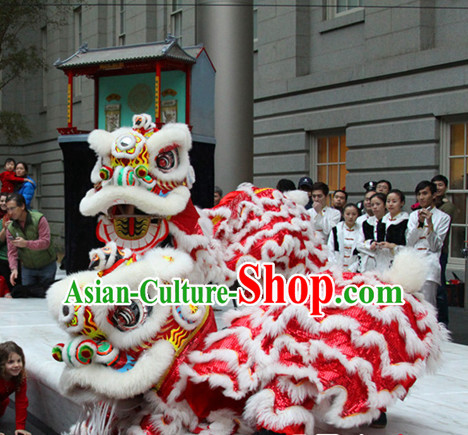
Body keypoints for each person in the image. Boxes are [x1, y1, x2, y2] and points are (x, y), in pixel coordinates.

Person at [406, 181, 450, 307]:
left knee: (428, 306)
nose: (421, 197)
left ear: (434, 195)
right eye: (419, 194)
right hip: (413, 265)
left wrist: (429, 224)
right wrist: (419, 224)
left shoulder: (443, 217)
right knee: (412, 306)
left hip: (430, 265)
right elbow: (409, 242)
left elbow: (435, 246)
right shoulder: (414, 216)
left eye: (425, 193)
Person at [6, 193, 56, 291]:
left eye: (12, 208)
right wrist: (14, 269)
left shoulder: (39, 219)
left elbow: (45, 242)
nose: (10, 212)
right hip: (27, 269)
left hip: (46, 265)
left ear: (22, 206)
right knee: (28, 300)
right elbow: (12, 252)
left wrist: (26, 243)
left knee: (46, 298)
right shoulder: (11, 228)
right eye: (8, 209)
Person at [431, 174, 457, 325]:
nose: (437, 188)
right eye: (434, 186)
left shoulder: (447, 207)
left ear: (445, 187)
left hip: (441, 251)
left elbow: (440, 220)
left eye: (440, 185)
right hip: (424, 252)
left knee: (440, 288)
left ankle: (442, 322)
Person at [0, 341, 30, 435]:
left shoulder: (20, 377)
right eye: (11, 362)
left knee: (4, 402)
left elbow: (21, 402)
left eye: (19, 361)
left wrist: (20, 427)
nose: (17, 365)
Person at [379, 189, 409, 270]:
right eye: (388, 201)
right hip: (382, 260)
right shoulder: (382, 220)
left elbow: (409, 245)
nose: (390, 204)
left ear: (402, 203)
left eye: (394, 201)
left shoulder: (405, 221)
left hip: (398, 259)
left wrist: (392, 246)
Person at [327, 203, 363, 272]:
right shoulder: (336, 229)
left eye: (354, 214)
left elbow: (361, 253)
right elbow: (330, 249)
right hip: (337, 268)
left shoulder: (361, 230)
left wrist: (352, 269)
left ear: (358, 215)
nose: (350, 217)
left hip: (355, 268)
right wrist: (336, 267)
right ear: (343, 215)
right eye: (348, 214)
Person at [358, 192, 387, 272]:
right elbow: (359, 245)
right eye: (372, 205)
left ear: (385, 205)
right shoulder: (366, 223)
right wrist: (370, 244)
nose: (374, 207)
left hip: (386, 262)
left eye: (378, 204)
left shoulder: (389, 223)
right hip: (369, 264)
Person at [0, 193, 12, 297]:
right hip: (3, 257)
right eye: (1, 201)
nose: (3, 203)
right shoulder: (2, 220)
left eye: (5, 201)